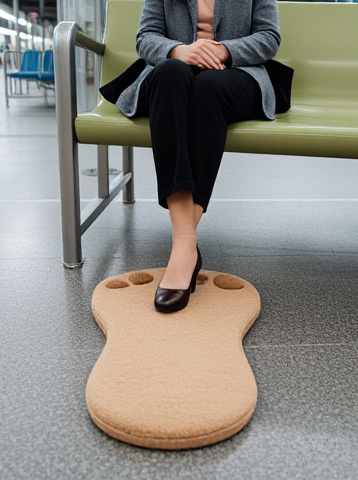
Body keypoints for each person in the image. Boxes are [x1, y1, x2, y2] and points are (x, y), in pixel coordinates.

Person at [107, 0, 282, 313]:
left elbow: (269, 38)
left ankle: (182, 245)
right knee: (171, 74)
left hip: (235, 73)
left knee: (209, 86)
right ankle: (185, 242)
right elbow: (145, 38)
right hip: (171, 75)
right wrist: (178, 50)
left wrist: (224, 50)